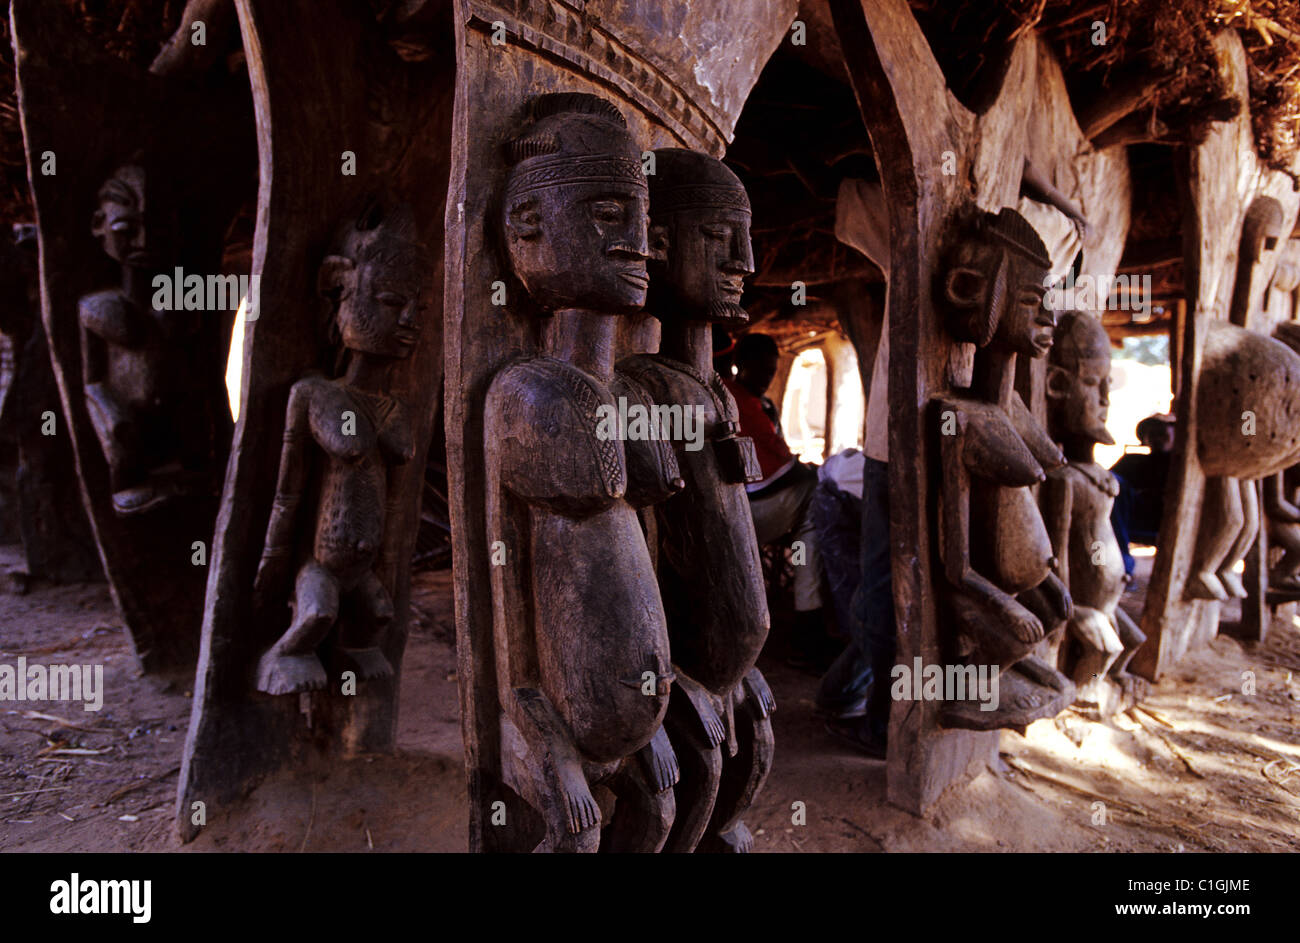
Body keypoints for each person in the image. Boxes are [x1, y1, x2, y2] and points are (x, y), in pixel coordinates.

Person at [722, 332, 829, 668]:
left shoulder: (745, 399)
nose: (767, 379)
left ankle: (807, 623)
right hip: (741, 516)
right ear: (741, 365)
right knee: (819, 500)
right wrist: (812, 470)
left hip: (744, 509)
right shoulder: (741, 402)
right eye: (762, 371)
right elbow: (782, 471)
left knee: (810, 520)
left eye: (772, 373)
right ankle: (808, 623)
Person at [1109, 414, 1175, 578]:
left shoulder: (1179, 466)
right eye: (1151, 433)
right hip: (1131, 520)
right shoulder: (1132, 461)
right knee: (1113, 484)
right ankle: (1122, 565)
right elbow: (1109, 481)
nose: (1156, 438)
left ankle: (1124, 566)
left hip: (1163, 521)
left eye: (1161, 432)